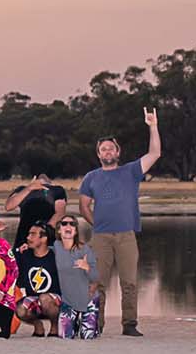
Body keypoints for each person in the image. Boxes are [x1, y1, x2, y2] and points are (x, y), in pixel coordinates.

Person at [80, 108, 161, 337]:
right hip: (101, 237)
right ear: (98, 154)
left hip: (126, 235)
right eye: (103, 149)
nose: (107, 151)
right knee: (98, 282)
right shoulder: (91, 177)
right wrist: (97, 224)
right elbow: (84, 206)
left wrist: (152, 126)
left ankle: (130, 324)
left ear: (118, 151)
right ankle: (97, 323)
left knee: (130, 282)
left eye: (111, 148)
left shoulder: (131, 171)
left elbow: (154, 154)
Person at [52, 215, 102, 339]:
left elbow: (96, 277)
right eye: (64, 223)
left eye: (72, 224)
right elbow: (40, 252)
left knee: (88, 337)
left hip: (87, 299)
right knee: (65, 336)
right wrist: (26, 248)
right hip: (68, 302)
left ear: (75, 230)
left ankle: (91, 325)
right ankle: (74, 323)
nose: (68, 226)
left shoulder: (85, 250)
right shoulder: (55, 247)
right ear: (59, 229)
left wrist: (87, 267)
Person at [15, 223, 63, 337]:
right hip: (34, 298)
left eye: (32, 234)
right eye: (29, 234)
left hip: (55, 299)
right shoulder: (24, 254)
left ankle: (54, 326)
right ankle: (37, 325)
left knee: (45, 298)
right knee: (20, 309)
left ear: (44, 238)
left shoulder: (56, 256)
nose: (28, 238)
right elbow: (4, 256)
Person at [6, 174, 67, 249]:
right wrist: (29, 188)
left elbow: (60, 213)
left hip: (45, 237)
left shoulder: (57, 189)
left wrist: (43, 232)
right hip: (24, 235)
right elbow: (9, 206)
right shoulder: (22, 189)